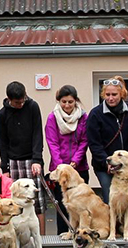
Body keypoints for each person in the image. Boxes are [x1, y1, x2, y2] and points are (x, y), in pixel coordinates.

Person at [44, 85, 89, 239]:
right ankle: (63, 240)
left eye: (70, 102)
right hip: (59, 169)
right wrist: (61, 166)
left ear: (75, 101)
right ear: (59, 101)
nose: (67, 105)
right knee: (63, 206)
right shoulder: (52, 117)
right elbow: (52, 142)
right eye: (64, 102)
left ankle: (82, 239)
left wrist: (75, 163)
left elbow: (84, 141)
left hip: (79, 168)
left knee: (81, 207)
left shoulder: (83, 117)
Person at [0, 81, 46, 211]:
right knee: (15, 202)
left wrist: (37, 159)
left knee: (37, 204)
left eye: (23, 100)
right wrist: (5, 168)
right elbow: (2, 142)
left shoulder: (33, 107)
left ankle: (40, 232)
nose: (21, 104)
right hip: (13, 161)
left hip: (32, 160)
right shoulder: (2, 114)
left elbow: (37, 134)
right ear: (9, 99)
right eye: (17, 103)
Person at [87, 76, 128, 201]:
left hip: (126, 166)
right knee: (110, 198)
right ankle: (110, 221)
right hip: (105, 166)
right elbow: (94, 143)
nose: (110, 98)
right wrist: (105, 162)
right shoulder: (95, 114)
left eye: (114, 94)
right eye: (107, 94)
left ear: (122, 94)